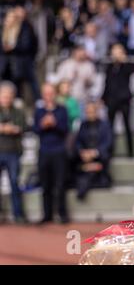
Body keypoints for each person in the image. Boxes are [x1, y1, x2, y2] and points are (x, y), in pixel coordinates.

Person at [33, 83, 70, 224]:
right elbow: (35, 130)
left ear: (55, 94)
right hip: (44, 151)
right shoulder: (39, 111)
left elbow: (65, 130)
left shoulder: (62, 110)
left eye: (50, 93)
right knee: (45, 185)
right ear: (43, 95)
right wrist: (43, 125)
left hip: (59, 151)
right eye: (45, 93)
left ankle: (62, 214)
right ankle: (47, 214)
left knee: (60, 185)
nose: (48, 96)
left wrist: (54, 124)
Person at [102, 43, 134, 157]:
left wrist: (124, 60)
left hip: (124, 100)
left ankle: (131, 152)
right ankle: (110, 151)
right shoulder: (109, 68)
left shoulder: (126, 66)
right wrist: (103, 98)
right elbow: (106, 85)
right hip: (111, 100)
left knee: (127, 126)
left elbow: (132, 70)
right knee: (109, 127)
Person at [74, 100, 112, 200]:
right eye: (88, 112)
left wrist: (94, 153)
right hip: (85, 159)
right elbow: (78, 142)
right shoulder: (83, 125)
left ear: (96, 112)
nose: (90, 114)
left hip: (99, 158)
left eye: (92, 111)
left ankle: (84, 186)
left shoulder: (105, 125)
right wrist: (82, 152)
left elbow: (107, 143)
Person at [0, 81, 27, 224]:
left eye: (9, 96)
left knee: (15, 183)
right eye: (4, 95)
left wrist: (12, 129)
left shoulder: (18, 111)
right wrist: (5, 128)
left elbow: (23, 127)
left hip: (13, 153)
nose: (6, 98)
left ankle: (18, 215)